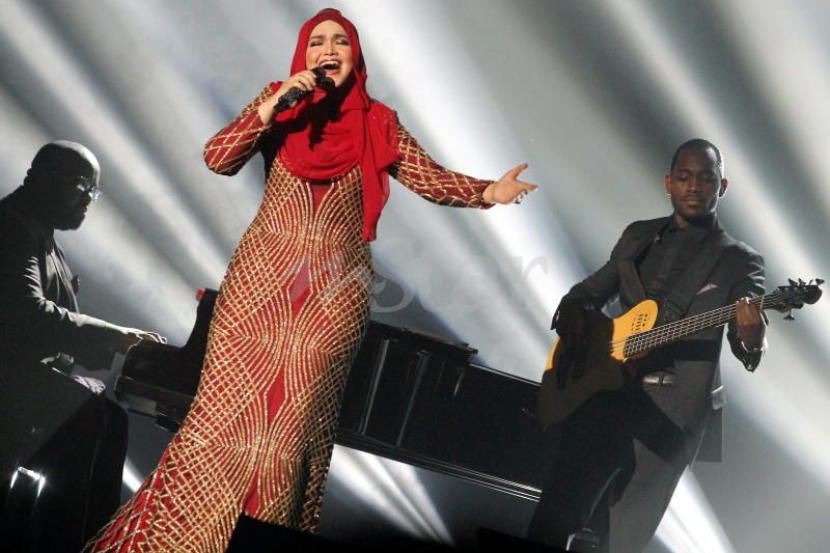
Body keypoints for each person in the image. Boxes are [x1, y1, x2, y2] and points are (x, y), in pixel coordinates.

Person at [83, 8, 536, 553]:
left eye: (339, 42)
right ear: (304, 53)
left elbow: (431, 179)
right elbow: (218, 158)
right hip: (259, 286)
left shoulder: (379, 121)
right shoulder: (278, 102)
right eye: (317, 41)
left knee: (290, 432)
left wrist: (489, 192)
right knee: (221, 423)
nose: (328, 51)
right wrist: (272, 108)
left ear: (354, 56)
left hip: (332, 298)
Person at [528, 139, 767, 553]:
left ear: (722, 186)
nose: (694, 186)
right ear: (669, 183)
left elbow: (744, 344)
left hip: (673, 411)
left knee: (623, 538)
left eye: (706, 178)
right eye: (685, 177)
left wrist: (752, 337)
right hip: (606, 391)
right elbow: (586, 293)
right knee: (554, 515)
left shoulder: (740, 261)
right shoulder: (637, 237)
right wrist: (575, 315)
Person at [0, 141, 163, 551]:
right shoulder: (13, 226)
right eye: (81, 186)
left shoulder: (41, 236)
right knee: (93, 415)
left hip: (20, 384)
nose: (88, 199)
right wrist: (115, 336)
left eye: (93, 191)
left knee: (106, 416)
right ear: (39, 176)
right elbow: (29, 315)